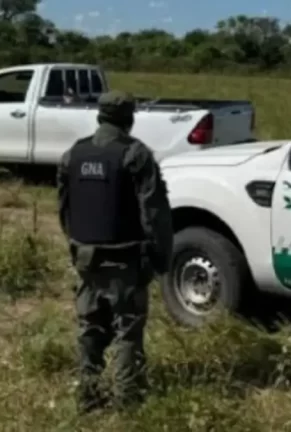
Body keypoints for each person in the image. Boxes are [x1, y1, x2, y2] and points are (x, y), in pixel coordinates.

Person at [56, 90, 173, 414]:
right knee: (127, 330)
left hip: (85, 257)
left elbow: (64, 209)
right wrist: (161, 258)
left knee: (90, 327)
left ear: (99, 117)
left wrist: (78, 245)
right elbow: (154, 213)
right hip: (125, 260)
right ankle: (127, 401)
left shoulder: (73, 154)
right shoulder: (135, 154)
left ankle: (88, 395)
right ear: (129, 119)